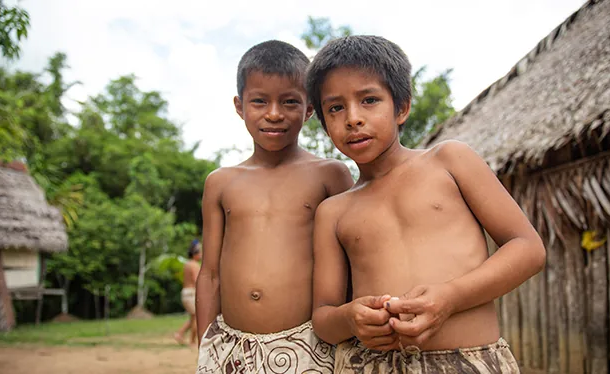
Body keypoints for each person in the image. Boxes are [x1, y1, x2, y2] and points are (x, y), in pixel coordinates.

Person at [307, 35, 546, 373]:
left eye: (369, 100)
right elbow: (323, 317)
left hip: (469, 361)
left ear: (402, 107)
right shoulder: (333, 211)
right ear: (325, 124)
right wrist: (350, 318)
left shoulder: (449, 160)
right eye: (335, 108)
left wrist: (450, 297)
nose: (353, 118)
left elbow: (528, 249)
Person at [194, 40, 354, 373]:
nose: (274, 114)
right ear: (240, 106)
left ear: (310, 109)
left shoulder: (329, 175)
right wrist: (206, 348)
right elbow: (209, 274)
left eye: (290, 102)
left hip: (311, 346)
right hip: (233, 349)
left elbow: (353, 259)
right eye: (259, 101)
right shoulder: (220, 182)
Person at [174, 239, 202, 346]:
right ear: (195, 254)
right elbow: (196, 280)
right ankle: (192, 341)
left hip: (185, 292)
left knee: (193, 317)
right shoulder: (194, 265)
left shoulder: (187, 264)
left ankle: (180, 334)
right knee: (196, 317)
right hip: (191, 293)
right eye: (200, 252)